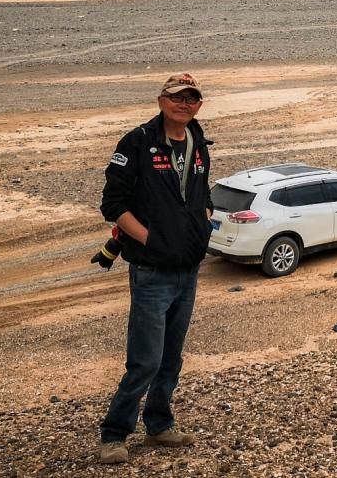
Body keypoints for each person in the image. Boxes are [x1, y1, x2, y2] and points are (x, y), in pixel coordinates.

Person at [98, 73, 214, 465]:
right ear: (161, 101)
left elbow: (203, 194)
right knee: (145, 359)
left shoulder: (199, 144)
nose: (185, 104)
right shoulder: (137, 142)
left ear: (199, 105)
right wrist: (150, 239)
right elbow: (113, 203)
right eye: (177, 97)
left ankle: (159, 425)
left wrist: (202, 225)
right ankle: (114, 434)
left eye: (192, 98)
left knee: (171, 357)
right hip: (151, 271)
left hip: (188, 268)